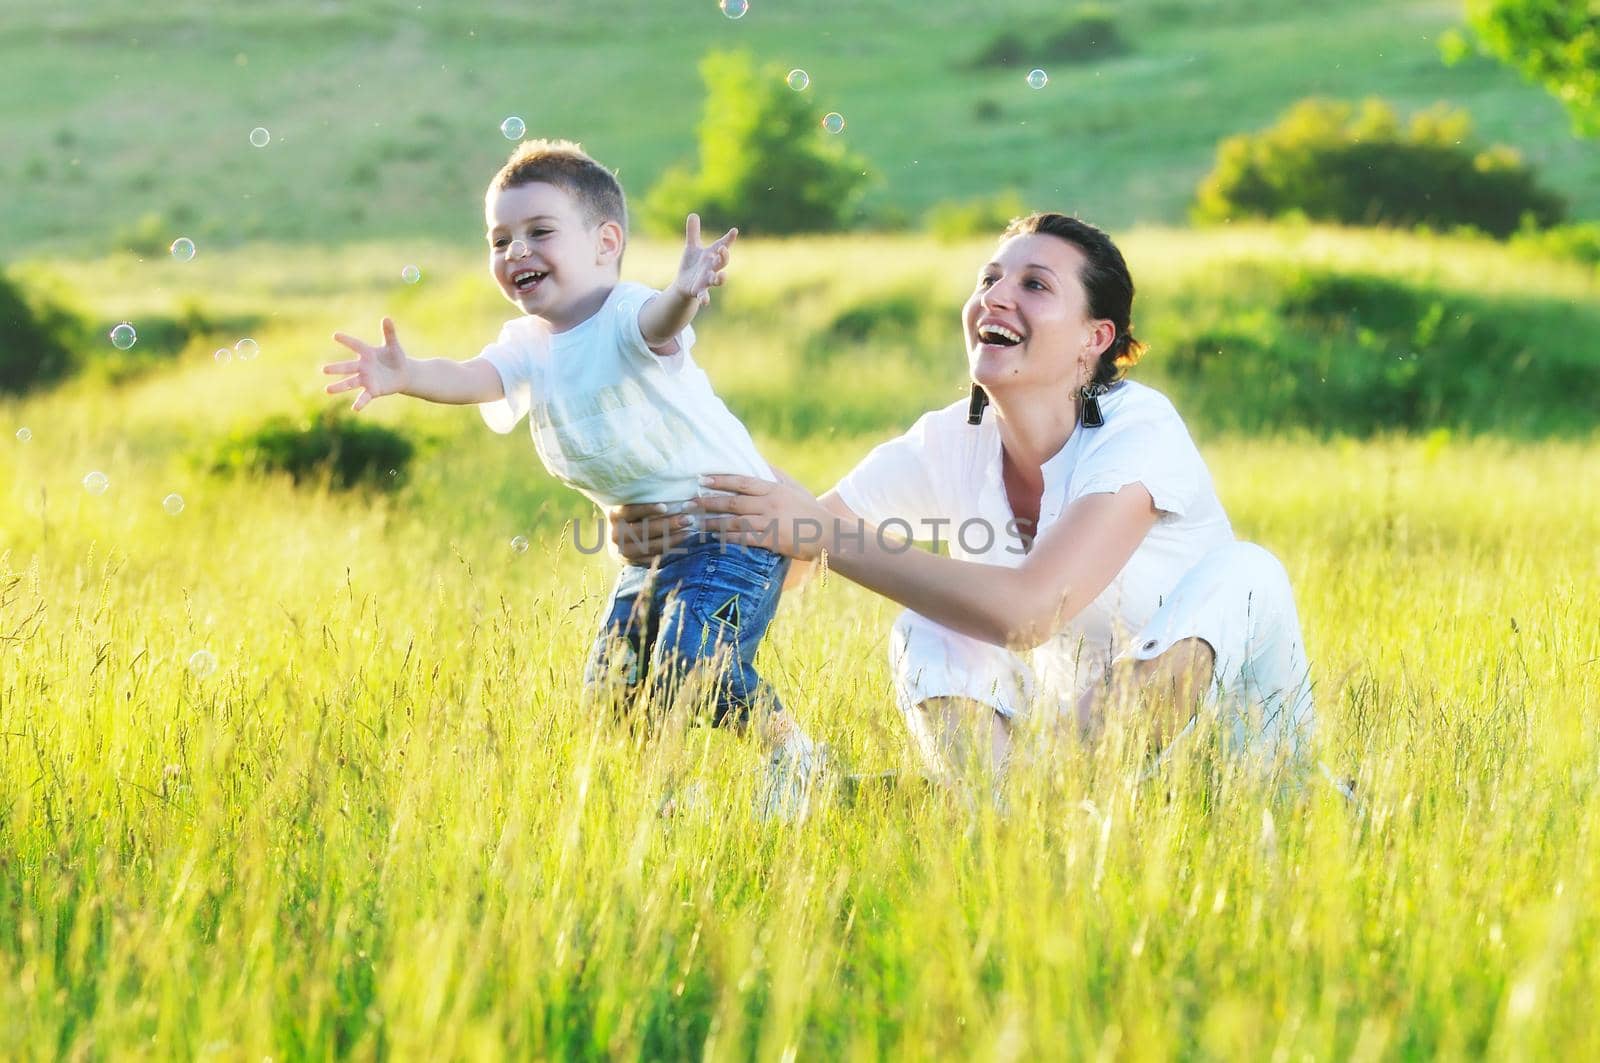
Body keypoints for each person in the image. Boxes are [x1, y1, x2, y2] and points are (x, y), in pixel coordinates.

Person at [610, 213, 1320, 786]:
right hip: (1089, 781)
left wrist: (818, 532)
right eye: (989, 278)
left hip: (1241, 766)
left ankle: (1019, 795)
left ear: (1093, 340)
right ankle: (1001, 814)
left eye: (1035, 285)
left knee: (1247, 571)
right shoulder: (952, 438)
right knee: (930, 626)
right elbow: (793, 553)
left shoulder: (1139, 427)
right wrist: (670, 525)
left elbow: (1029, 612)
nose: (996, 297)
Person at [320, 139, 819, 812]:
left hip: (733, 533)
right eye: (499, 239)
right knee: (612, 690)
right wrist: (406, 376)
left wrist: (684, 291)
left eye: (539, 232)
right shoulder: (528, 345)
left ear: (605, 242)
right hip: (654, 549)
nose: (515, 251)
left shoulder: (625, 314)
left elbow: (658, 324)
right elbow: (474, 377)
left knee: (693, 659)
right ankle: (667, 800)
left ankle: (792, 752)